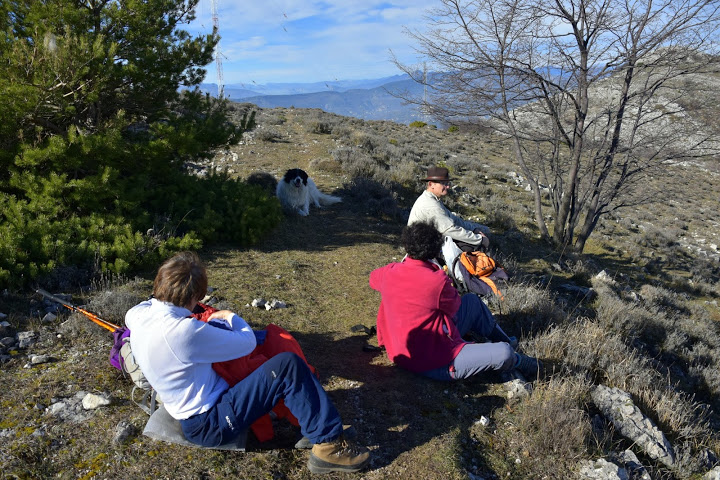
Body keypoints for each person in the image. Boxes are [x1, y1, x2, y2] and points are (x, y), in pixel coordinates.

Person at [125, 252, 370, 474]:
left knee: (274, 369)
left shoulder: (137, 315)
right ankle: (328, 446)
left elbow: (144, 306)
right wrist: (230, 316)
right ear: (194, 298)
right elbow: (247, 342)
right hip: (210, 422)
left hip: (195, 410)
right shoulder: (182, 332)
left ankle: (313, 425)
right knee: (287, 367)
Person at [369, 222, 541, 381]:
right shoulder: (437, 281)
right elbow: (453, 309)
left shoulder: (389, 271)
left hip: (399, 352)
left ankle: (504, 340)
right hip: (435, 361)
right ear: (435, 250)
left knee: (472, 301)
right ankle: (517, 358)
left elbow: (372, 279)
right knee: (504, 353)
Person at [408, 166, 490, 252]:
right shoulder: (430, 204)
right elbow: (449, 230)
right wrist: (479, 240)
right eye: (444, 183)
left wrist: (474, 229)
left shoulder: (433, 199)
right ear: (431, 184)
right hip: (421, 248)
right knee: (470, 247)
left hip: (427, 242)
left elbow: (453, 219)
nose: (448, 187)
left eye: (447, 183)